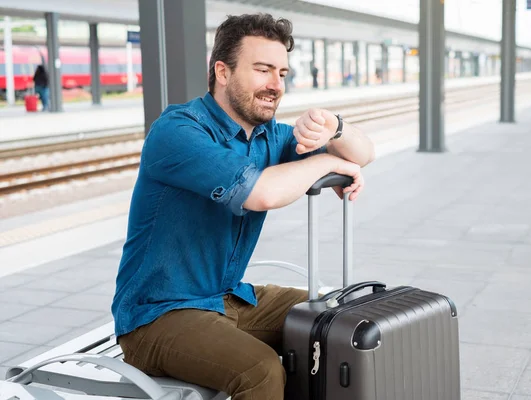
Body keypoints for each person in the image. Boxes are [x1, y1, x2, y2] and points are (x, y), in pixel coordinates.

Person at [111, 13, 375, 400]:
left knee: (341, 317)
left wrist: (334, 126)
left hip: (226, 298)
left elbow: (365, 153)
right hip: (156, 317)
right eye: (263, 70)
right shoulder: (178, 131)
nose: (276, 85)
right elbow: (260, 193)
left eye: (282, 73)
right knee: (260, 371)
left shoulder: (268, 137)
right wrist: (328, 162)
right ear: (222, 71)